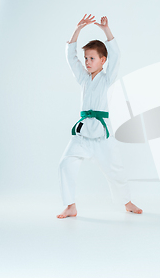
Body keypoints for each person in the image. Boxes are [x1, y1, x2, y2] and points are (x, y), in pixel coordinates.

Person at [57, 14, 142, 219]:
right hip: (83, 134)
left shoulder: (108, 79)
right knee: (65, 164)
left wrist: (106, 30)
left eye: (91, 58)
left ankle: (127, 202)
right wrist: (77, 30)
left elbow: (117, 55)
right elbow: (71, 58)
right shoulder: (84, 79)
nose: (87, 62)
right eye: (86, 58)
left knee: (115, 171)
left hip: (102, 135)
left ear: (103, 61)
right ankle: (70, 205)